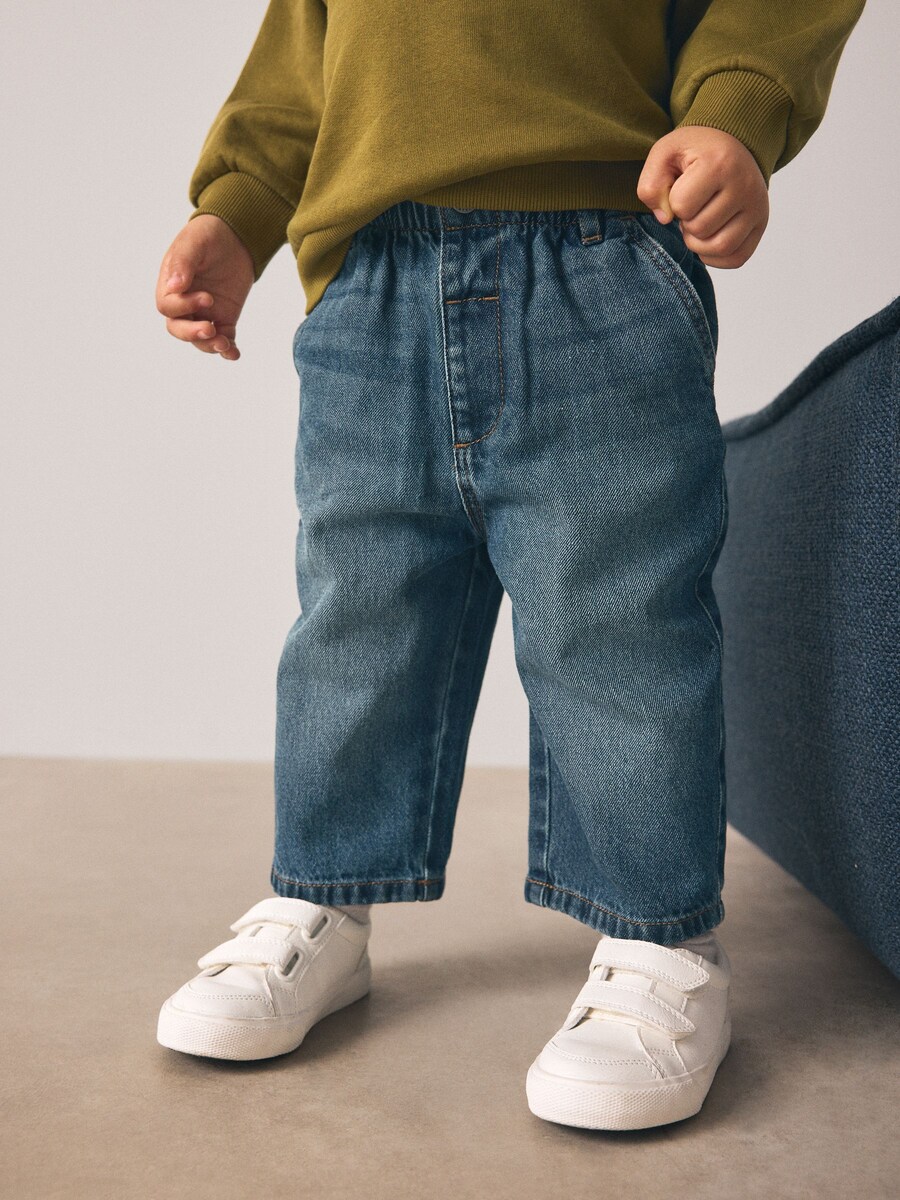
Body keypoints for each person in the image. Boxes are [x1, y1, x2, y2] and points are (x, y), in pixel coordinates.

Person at [154, 0, 866, 1130]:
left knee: (617, 622)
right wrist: (237, 212)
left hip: (601, 255)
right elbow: (303, 54)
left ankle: (658, 936)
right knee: (355, 614)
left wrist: (739, 111)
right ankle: (324, 892)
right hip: (371, 281)